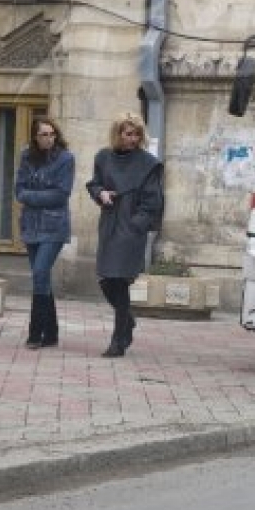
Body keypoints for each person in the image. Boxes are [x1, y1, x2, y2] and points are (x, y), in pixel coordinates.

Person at [86, 112, 163, 358]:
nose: (133, 138)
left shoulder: (148, 163)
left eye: (137, 134)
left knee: (120, 281)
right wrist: (101, 194)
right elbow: (94, 184)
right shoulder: (103, 157)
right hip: (109, 222)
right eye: (128, 133)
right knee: (106, 280)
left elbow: (153, 200)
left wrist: (136, 224)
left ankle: (118, 341)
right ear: (117, 133)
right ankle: (127, 320)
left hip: (130, 227)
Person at [14, 117, 75, 350]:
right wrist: (33, 196)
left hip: (54, 226)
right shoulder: (26, 157)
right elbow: (18, 190)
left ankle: (35, 332)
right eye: (44, 135)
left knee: (40, 272)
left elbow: (61, 194)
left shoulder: (65, 159)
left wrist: (32, 197)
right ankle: (51, 334)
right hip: (30, 226)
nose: (49, 138)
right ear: (35, 137)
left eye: (52, 134)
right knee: (42, 277)